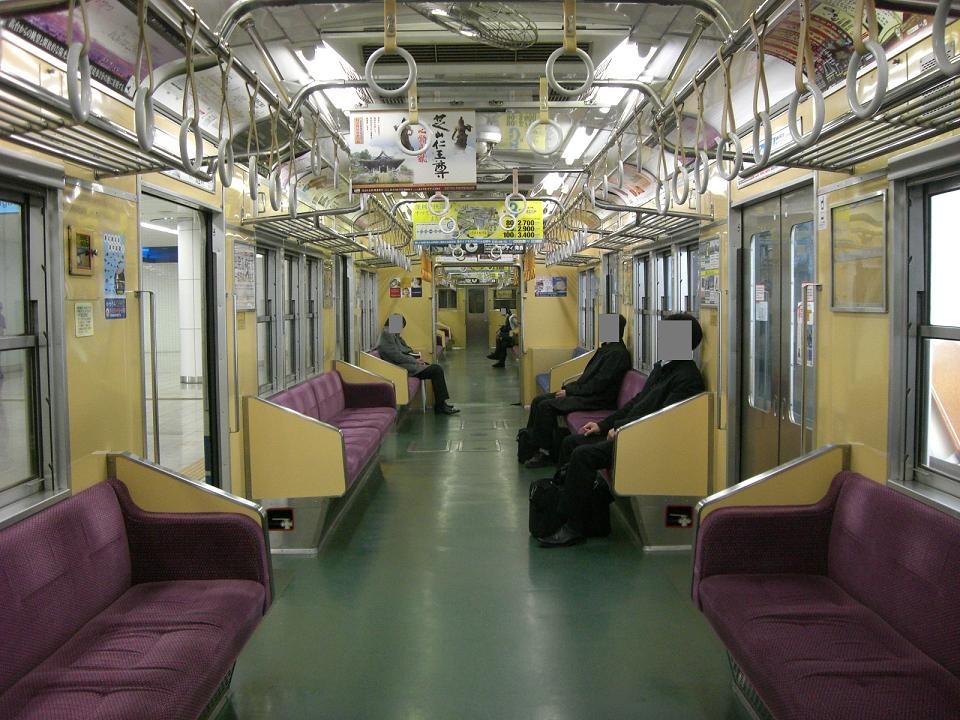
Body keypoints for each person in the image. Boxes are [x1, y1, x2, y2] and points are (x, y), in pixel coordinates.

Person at [538, 313, 706, 547]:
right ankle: (565, 509)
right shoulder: (662, 368)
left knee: (583, 455)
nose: (660, 339)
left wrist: (623, 430)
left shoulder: (687, 378)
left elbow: (662, 421)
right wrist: (604, 425)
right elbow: (636, 403)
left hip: (645, 440)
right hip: (631, 432)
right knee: (571, 442)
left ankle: (574, 527)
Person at [521, 314, 631, 468]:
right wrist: (569, 389)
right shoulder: (606, 349)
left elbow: (598, 385)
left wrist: (570, 392)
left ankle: (544, 452)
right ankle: (532, 444)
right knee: (538, 400)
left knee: (546, 406)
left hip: (597, 399)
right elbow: (587, 378)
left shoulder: (617, 354)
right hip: (587, 393)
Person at [378, 315, 459, 415]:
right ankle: (440, 406)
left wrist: (416, 359)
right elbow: (396, 356)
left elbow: (407, 350)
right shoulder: (387, 334)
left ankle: (441, 404)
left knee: (432, 367)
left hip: (404, 365)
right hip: (399, 369)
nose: (400, 329)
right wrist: (415, 361)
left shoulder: (393, 335)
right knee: (436, 370)